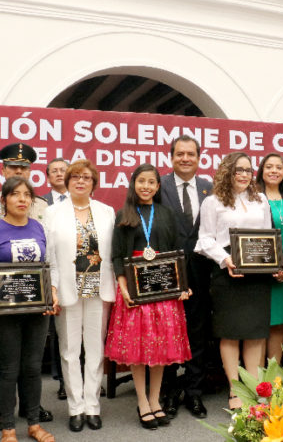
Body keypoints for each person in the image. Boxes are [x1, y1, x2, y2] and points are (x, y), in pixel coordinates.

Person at [105, 164, 191, 430]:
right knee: (139, 351)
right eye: (141, 181)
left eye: (151, 182)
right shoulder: (124, 214)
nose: (146, 187)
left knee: (161, 348)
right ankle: (142, 401)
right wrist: (124, 289)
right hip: (135, 292)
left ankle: (155, 400)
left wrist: (182, 286)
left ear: (157, 186)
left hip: (164, 291)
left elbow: (177, 252)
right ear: (134, 184)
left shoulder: (166, 213)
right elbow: (117, 256)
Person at [0, 177, 59, 442]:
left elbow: (52, 267)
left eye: (26, 195)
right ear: (4, 200)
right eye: (15, 194)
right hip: (4, 313)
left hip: (38, 311)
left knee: (33, 368)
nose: (22, 199)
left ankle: (33, 424)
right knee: (9, 370)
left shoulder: (42, 229)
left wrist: (52, 294)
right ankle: (8, 427)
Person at [195, 152, 273, 410]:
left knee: (254, 333)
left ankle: (253, 387)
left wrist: (275, 260)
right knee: (230, 332)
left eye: (248, 170)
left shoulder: (260, 198)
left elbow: (268, 236)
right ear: (227, 171)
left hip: (257, 273)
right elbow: (205, 239)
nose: (244, 175)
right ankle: (235, 389)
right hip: (227, 270)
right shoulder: (213, 201)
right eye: (238, 170)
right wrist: (224, 259)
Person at [45, 160, 116, 432]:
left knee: (95, 350)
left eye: (86, 177)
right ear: (67, 181)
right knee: (69, 351)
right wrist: (52, 289)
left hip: (99, 288)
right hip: (67, 289)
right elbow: (49, 256)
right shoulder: (53, 213)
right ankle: (75, 408)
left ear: (93, 183)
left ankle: (92, 406)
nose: (80, 181)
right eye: (75, 177)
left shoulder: (107, 211)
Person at [159, 135, 212, 419]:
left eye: (190, 154)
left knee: (197, 334)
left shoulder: (209, 188)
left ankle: (193, 394)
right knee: (168, 334)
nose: (185, 158)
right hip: (168, 273)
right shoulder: (159, 186)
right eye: (180, 154)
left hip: (202, 273)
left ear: (198, 157)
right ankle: (168, 393)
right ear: (172, 156)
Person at [255, 153, 283, 363]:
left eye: (278, 168)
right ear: (262, 171)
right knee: (261, 324)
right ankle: (258, 376)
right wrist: (268, 266)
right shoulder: (252, 198)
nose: (274, 171)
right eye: (269, 167)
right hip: (261, 272)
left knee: (279, 324)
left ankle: (274, 378)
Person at [42, 157, 69, 401]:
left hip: (82, 275)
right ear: (48, 177)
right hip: (54, 275)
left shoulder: (86, 202)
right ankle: (63, 381)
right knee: (59, 332)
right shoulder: (42, 204)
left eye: (64, 170)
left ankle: (82, 378)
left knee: (83, 333)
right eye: (55, 171)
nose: (60, 174)